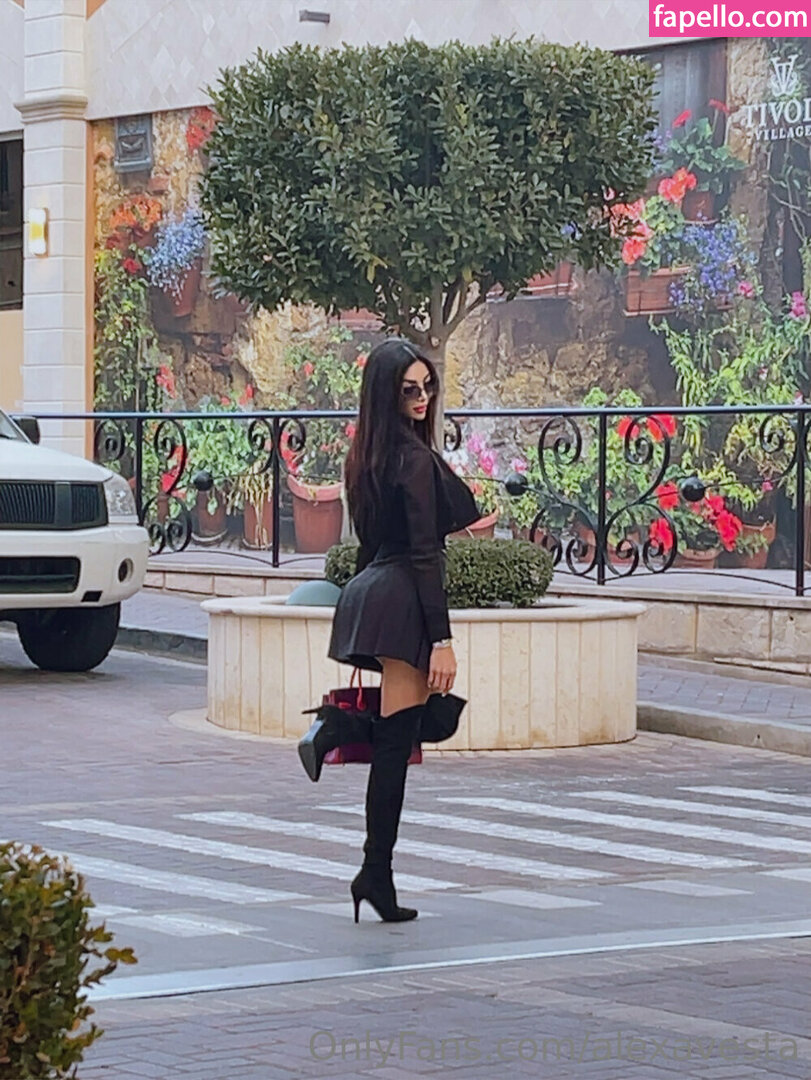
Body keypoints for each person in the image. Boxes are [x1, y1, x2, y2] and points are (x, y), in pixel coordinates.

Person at [298, 337, 480, 923]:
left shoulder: (369, 455)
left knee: (407, 732)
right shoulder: (413, 460)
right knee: (401, 742)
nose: (422, 398)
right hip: (402, 599)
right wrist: (441, 640)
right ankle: (374, 872)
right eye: (409, 390)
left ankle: (375, 870)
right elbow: (424, 553)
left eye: (427, 386)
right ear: (387, 394)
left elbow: (370, 545)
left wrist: (355, 604)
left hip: (376, 592)